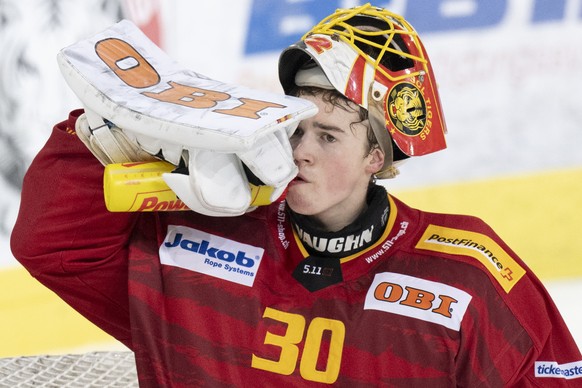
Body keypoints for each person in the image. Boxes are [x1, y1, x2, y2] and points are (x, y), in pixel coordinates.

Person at [10, 4, 582, 387]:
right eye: (294, 125)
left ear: (377, 158)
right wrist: (107, 140)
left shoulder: (466, 275)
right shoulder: (200, 234)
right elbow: (52, 244)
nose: (300, 150)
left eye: (328, 135)